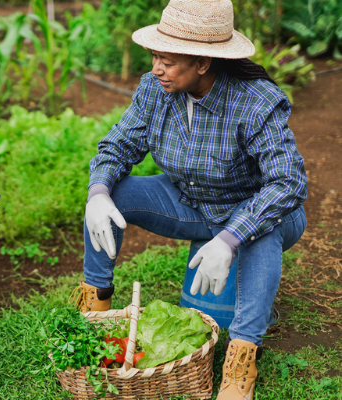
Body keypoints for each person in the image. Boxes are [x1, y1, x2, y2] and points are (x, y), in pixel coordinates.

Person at [71, 0, 307, 399]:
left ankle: (242, 357)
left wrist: (231, 238)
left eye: (167, 60)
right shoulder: (156, 90)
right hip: (189, 202)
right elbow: (117, 146)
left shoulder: (255, 102)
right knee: (115, 193)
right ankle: (96, 305)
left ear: (202, 62)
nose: (156, 68)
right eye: (154, 56)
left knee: (260, 235)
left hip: (254, 212)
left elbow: (287, 184)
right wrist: (97, 193)